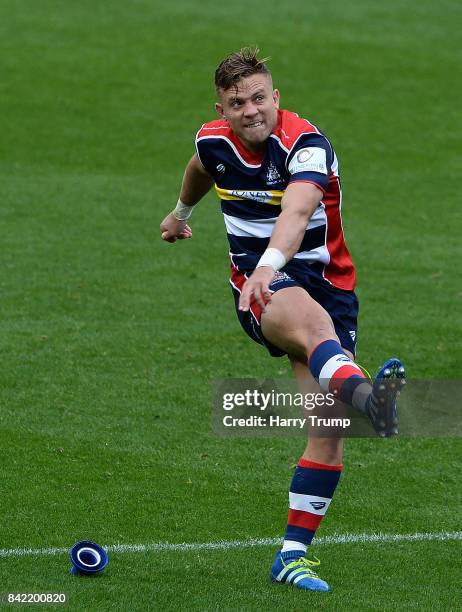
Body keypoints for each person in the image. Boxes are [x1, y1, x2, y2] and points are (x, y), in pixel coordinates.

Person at [160, 47, 405, 593]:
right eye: (236, 102)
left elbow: (296, 214)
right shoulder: (213, 139)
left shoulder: (307, 147)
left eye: (259, 98)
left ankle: (291, 556)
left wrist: (271, 263)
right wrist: (180, 215)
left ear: (277, 97)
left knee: (328, 432)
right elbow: (201, 166)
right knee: (314, 332)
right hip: (259, 289)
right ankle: (373, 401)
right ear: (222, 107)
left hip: (327, 288)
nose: (250, 110)